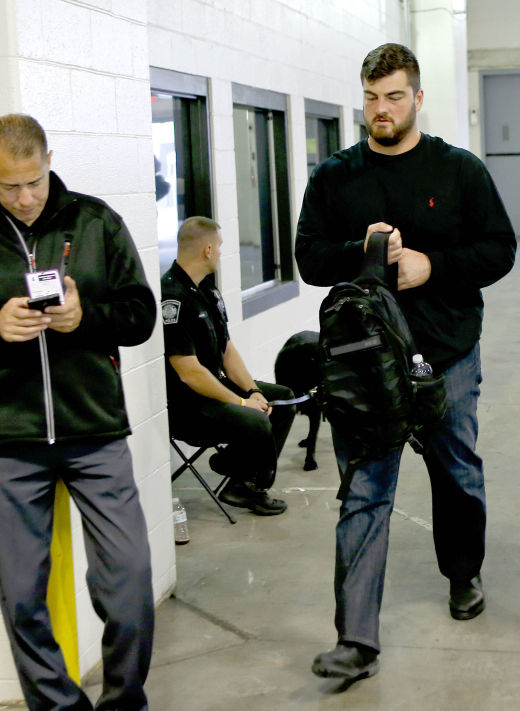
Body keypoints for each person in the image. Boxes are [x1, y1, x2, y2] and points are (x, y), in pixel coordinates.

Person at [296, 43, 515, 683]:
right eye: (371, 97)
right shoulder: (337, 177)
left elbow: (499, 251)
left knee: (456, 473)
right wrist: (362, 251)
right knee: (364, 491)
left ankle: (463, 573)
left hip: (445, 354)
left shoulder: (459, 171)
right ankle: (356, 639)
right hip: (366, 364)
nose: (381, 109)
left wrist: (431, 266)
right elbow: (309, 258)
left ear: (418, 98)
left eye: (394, 96)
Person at [0, 113, 156, 710]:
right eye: (9, 187)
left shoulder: (96, 222)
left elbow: (140, 315)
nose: (25, 198)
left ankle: (125, 701)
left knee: (129, 583)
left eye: (33, 181)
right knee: (18, 595)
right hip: (11, 439)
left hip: (94, 433)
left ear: (48, 161)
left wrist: (84, 317)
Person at [161, 216, 293, 515]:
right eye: (219, 247)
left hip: (213, 392)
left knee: (282, 399)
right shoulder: (173, 297)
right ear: (207, 250)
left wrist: (253, 390)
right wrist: (241, 402)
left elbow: (227, 351)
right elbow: (190, 373)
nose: (221, 253)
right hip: (189, 406)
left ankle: (239, 479)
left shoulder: (207, 290)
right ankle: (251, 483)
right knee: (257, 420)